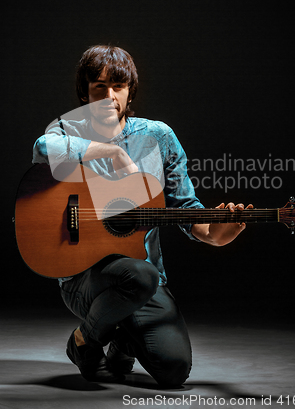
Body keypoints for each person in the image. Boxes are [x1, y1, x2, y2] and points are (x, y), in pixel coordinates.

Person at [32, 45, 252, 387]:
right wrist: (114, 153)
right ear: (84, 91)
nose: (109, 96)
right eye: (98, 87)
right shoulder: (68, 130)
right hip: (84, 279)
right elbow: (43, 148)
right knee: (140, 273)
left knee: (174, 370)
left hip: (147, 280)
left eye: (118, 86)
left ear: (130, 89)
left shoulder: (159, 137)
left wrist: (215, 235)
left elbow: (185, 209)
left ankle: (121, 339)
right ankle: (84, 342)